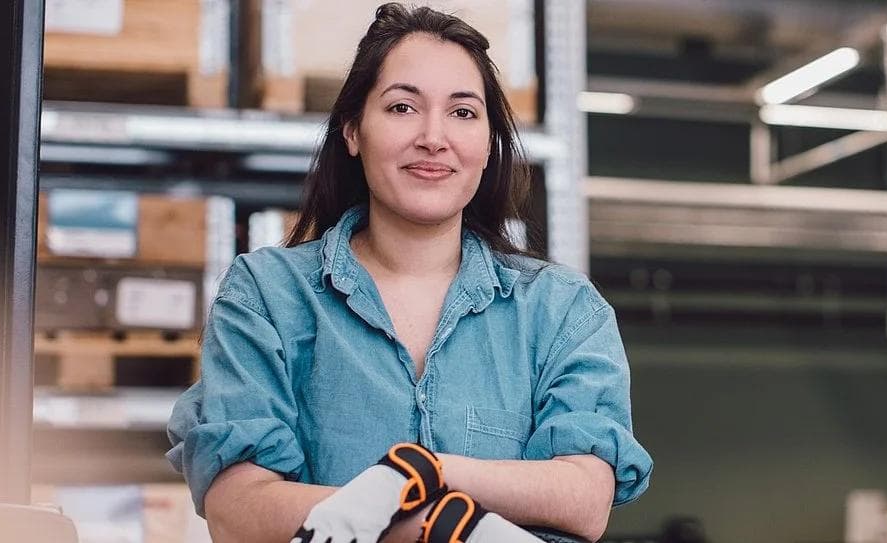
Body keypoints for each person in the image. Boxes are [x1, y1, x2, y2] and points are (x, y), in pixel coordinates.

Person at [166, 4, 652, 542]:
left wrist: (422, 474)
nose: (433, 137)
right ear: (352, 130)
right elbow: (240, 511)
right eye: (402, 107)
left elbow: (583, 497)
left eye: (463, 113)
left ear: (489, 145)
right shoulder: (267, 296)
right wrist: (436, 528)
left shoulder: (562, 310)